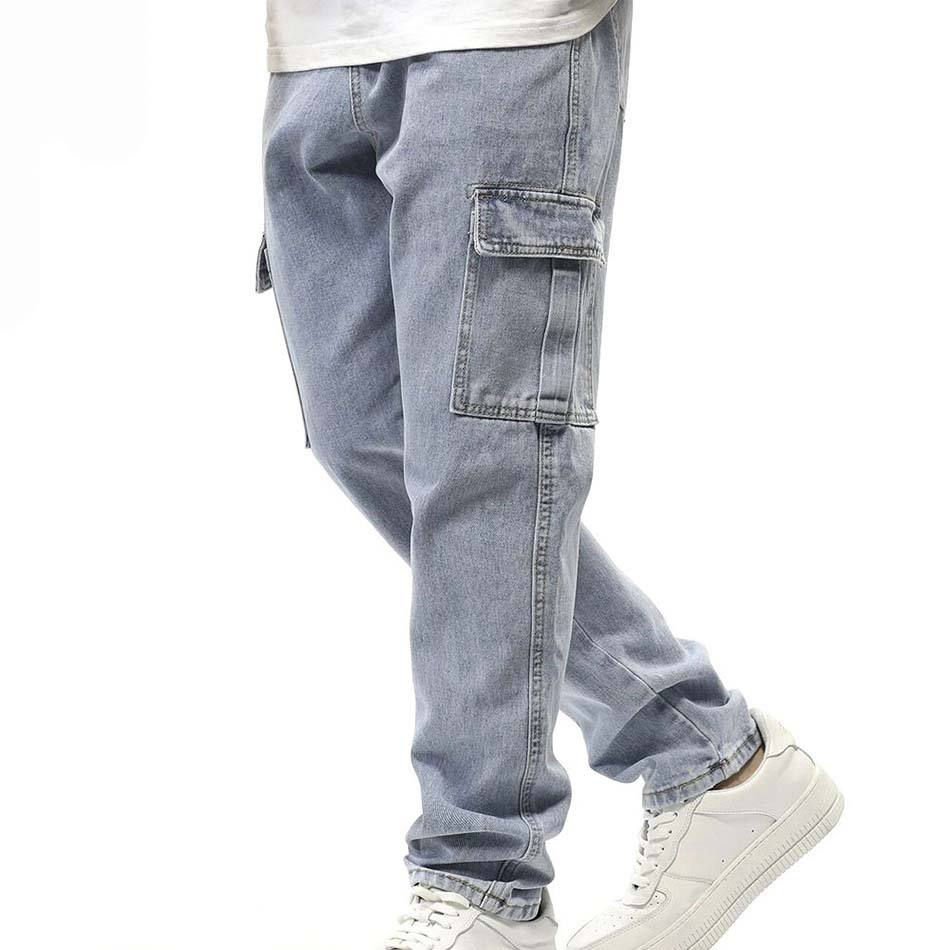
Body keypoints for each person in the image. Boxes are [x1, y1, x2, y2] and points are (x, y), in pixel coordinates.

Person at [256, 2, 843, 948]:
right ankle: (703, 752)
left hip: (503, 36)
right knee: (364, 430)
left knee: (483, 453)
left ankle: (485, 883)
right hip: (317, 45)